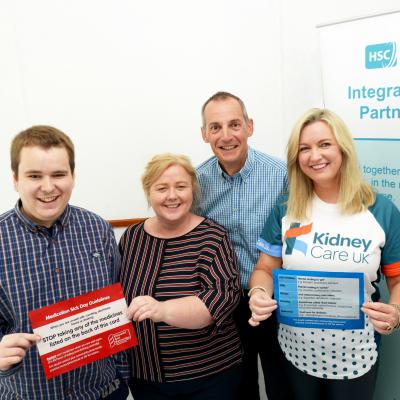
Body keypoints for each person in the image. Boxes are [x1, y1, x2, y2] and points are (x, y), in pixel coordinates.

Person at [248, 108, 400, 400]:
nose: (314, 156)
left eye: (324, 144)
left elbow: (396, 280)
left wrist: (395, 312)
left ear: (343, 148)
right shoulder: (285, 210)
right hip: (294, 353)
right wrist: (257, 293)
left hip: (357, 357)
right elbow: (265, 267)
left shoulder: (381, 212)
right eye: (304, 148)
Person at [0, 126, 129, 399]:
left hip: (103, 392)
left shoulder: (98, 229)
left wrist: (122, 375)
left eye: (58, 174)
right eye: (34, 176)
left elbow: (118, 303)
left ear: (72, 176)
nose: (48, 187)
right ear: (15, 179)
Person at [119, 153, 242, 400]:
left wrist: (161, 310)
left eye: (181, 187)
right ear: (148, 193)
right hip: (145, 378)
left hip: (209, 378)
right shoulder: (131, 238)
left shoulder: (213, 237)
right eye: (162, 188)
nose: (172, 196)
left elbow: (218, 301)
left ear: (192, 191)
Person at [196, 91, 291, 400]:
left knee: (283, 384)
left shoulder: (282, 176)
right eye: (216, 127)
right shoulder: (197, 183)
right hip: (225, 305)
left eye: (234, 124)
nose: (226, 136)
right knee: (238, 388)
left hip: (277, 301)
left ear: (250, 127)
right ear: (204, 134)